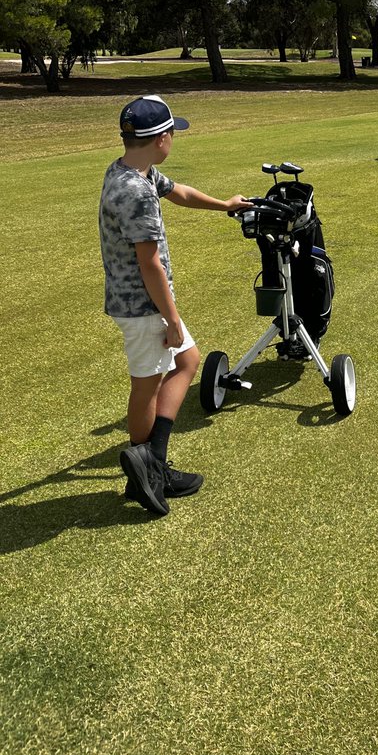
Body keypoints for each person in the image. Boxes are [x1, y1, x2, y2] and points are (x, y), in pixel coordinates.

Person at [99, 95, 252, 517]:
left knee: (188, 360)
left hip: (137, 301)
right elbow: (149, 265)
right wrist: (172, 318)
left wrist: (226, 205)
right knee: (146, 385)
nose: (174, 138)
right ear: (161, 138)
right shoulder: (136, 193)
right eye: (172, 132)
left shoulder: (130, 171)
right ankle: (146, 469)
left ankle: (151, 463)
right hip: (144, 305)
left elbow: (179, 192)